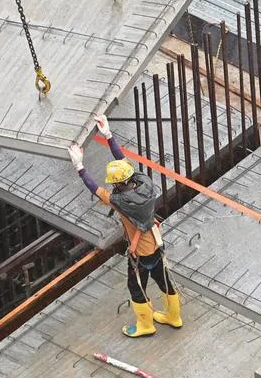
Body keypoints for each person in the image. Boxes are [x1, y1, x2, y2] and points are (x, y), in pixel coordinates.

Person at [68, 114, 182, 338]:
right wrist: (108, 135)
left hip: (141, 253)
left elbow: (95, 189)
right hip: (156, 244)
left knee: (136, 287)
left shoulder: (121, 202)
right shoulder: (143, 183)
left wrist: (79, 166)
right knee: (165, 281)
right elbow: (124, 164)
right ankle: (173, 317)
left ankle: (145, 326)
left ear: (118, 184)